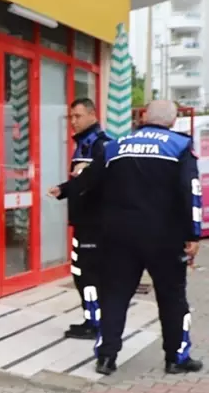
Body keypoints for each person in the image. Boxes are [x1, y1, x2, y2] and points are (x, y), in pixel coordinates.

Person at [59, 100, 202, 376]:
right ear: (172, 121)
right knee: (172, 299)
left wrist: (64, 190)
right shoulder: (179, 146)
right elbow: (190, 191)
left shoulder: (116, 145)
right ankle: (176, 358)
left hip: (118, 237)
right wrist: (192, 234)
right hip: (165, 238)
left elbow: (89, 181)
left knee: (114, 297)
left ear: (145, 117)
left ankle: (106, 357)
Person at [48, 98, 111, 340]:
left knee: (88, 274)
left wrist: (86, 171)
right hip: (84, 222)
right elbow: (82, 181)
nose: (73, 122)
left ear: (93, 115)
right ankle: (91, 319)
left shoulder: (101, 145)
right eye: (71, 117)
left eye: (78, 116)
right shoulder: (84, 144)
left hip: (95, 224)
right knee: (81, 272)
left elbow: (101, 180)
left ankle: (95, 323)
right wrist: (64, 189)